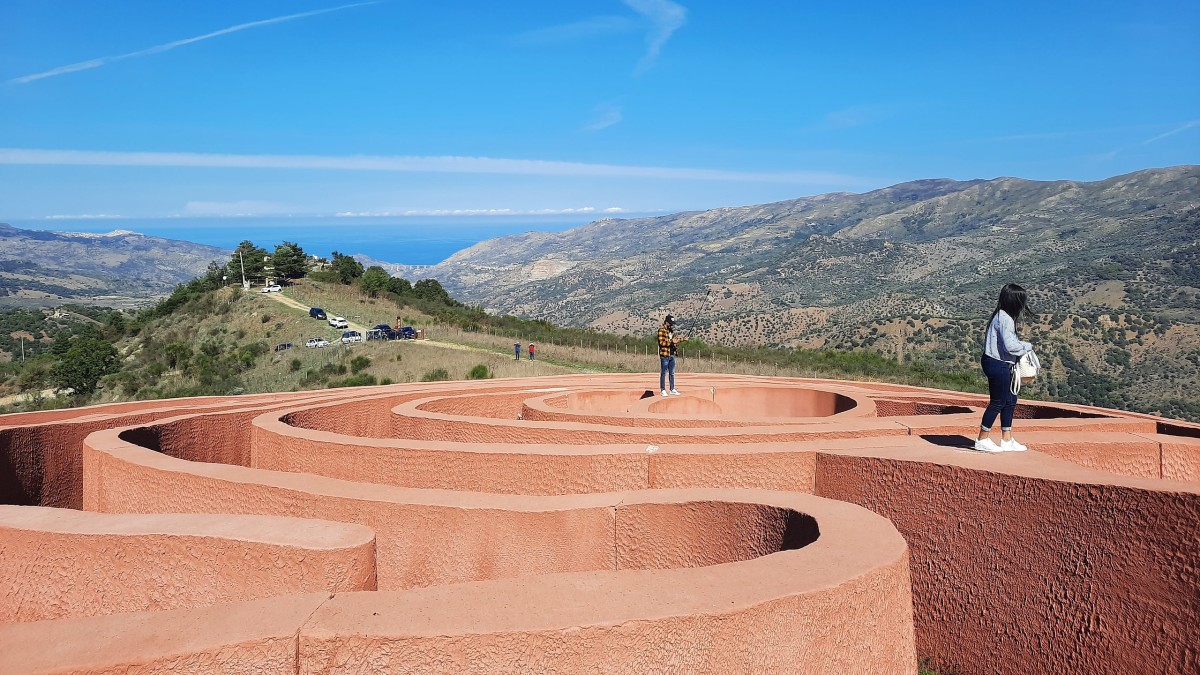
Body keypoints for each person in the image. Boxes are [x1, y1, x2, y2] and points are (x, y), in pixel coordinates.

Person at [975, 283, 1034, 453]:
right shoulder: (1005, 319)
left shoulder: (1001, 316)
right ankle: (982, 438)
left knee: (1009, 401)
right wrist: (1027, 346)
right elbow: (1011, 346)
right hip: (998, 363)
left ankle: (1007, 439)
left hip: (1000, 363)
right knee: (998, 402)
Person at [656, 315, 686, 397]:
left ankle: (672, 389)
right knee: (663, 373)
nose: (672, 325)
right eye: (671, 323)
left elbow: (675, 340)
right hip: (665, 355)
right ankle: (663, 390)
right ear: (666, 322)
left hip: (672, 354)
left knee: (672, 373)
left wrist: (683, 339)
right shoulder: (661, 330)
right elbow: (662, 343)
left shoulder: (671, 331)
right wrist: (671, 341)